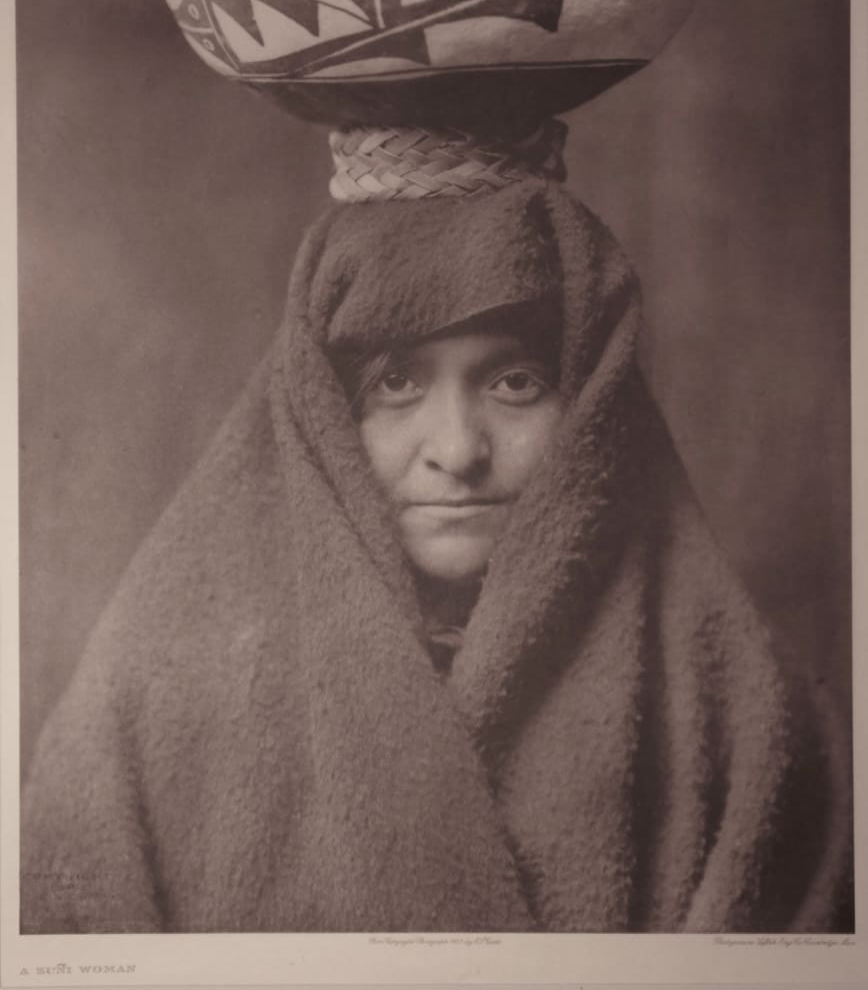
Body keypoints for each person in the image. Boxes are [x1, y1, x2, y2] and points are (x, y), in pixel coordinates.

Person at [21, 124, 852, 933]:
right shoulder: (146, 705)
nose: (457, 451)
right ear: (322, 414)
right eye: (395, 385)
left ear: (593, 411)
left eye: (516, 382)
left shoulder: (747, 714)